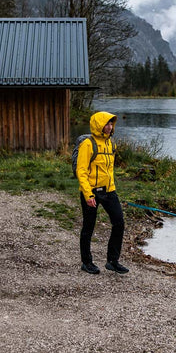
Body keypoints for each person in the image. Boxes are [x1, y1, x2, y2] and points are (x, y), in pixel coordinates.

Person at [75, 111, 128, 275]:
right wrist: (88, 195)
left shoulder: (111, 144)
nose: (109, 127)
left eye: (111, 124)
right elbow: (81, 171)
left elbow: (109, 170)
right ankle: (86, 262)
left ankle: (112, 261)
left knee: (119, 223)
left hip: (109, 191)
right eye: (106, 124)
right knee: (88, 227)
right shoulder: (88, 144)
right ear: (99, 125)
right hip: (91, 192)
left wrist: (112, 188)